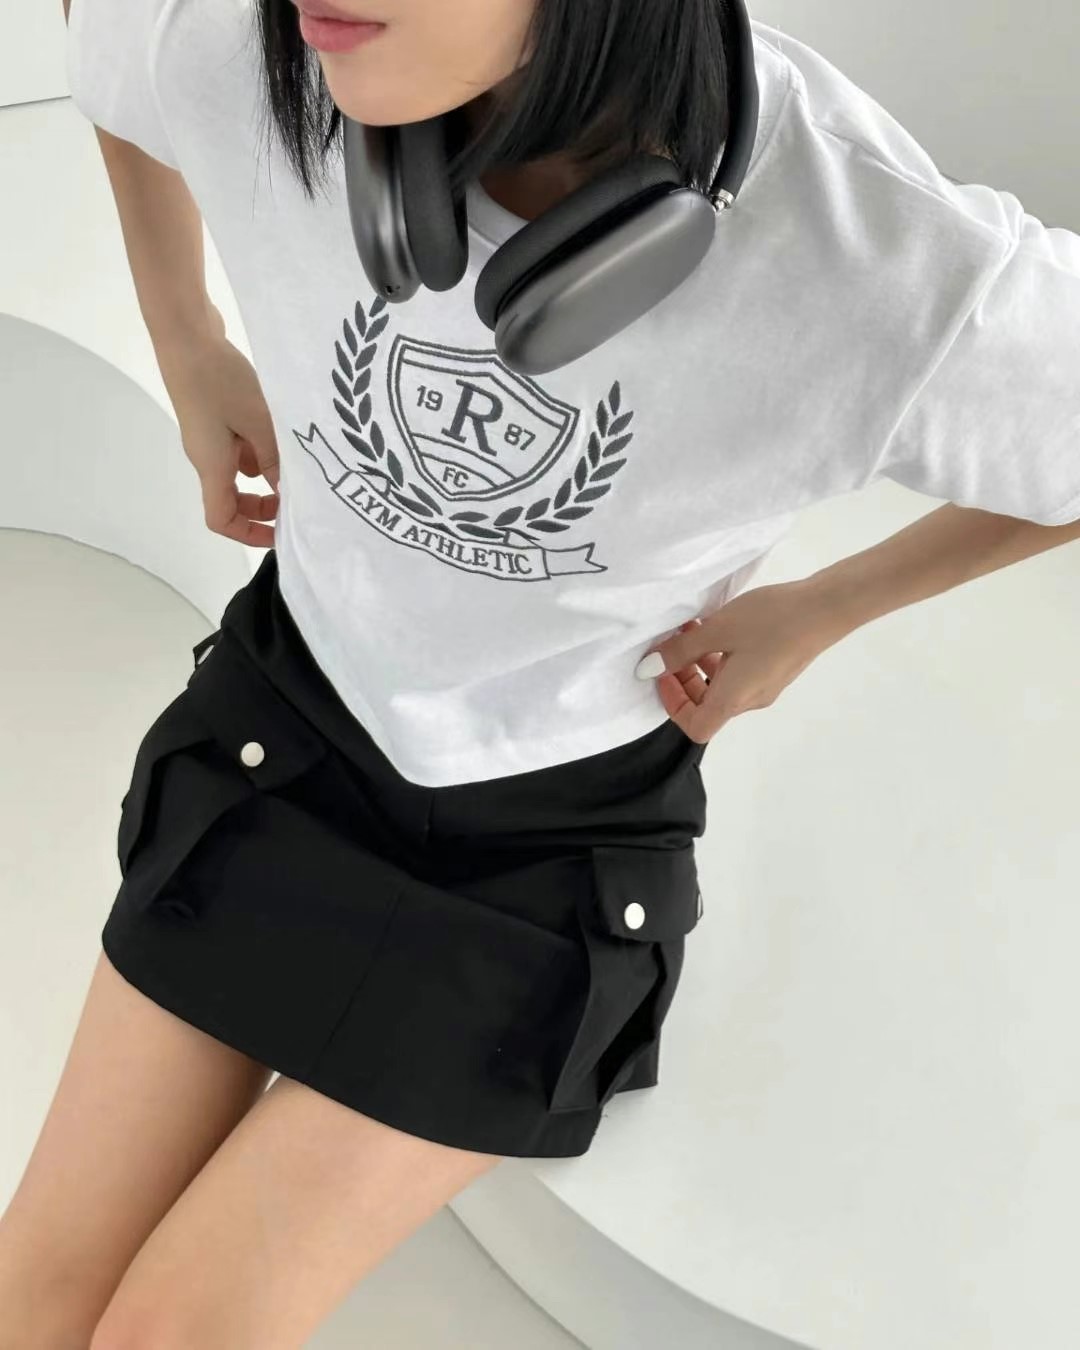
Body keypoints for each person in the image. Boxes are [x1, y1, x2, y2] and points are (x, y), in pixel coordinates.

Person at [3, 0, 1079, 1345]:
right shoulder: (256, 44)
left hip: (540, 858)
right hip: (286, 727)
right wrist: (185, 337)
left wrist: (821, 608)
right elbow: (106, 40)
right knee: (32, 1300)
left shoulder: (876, 257)